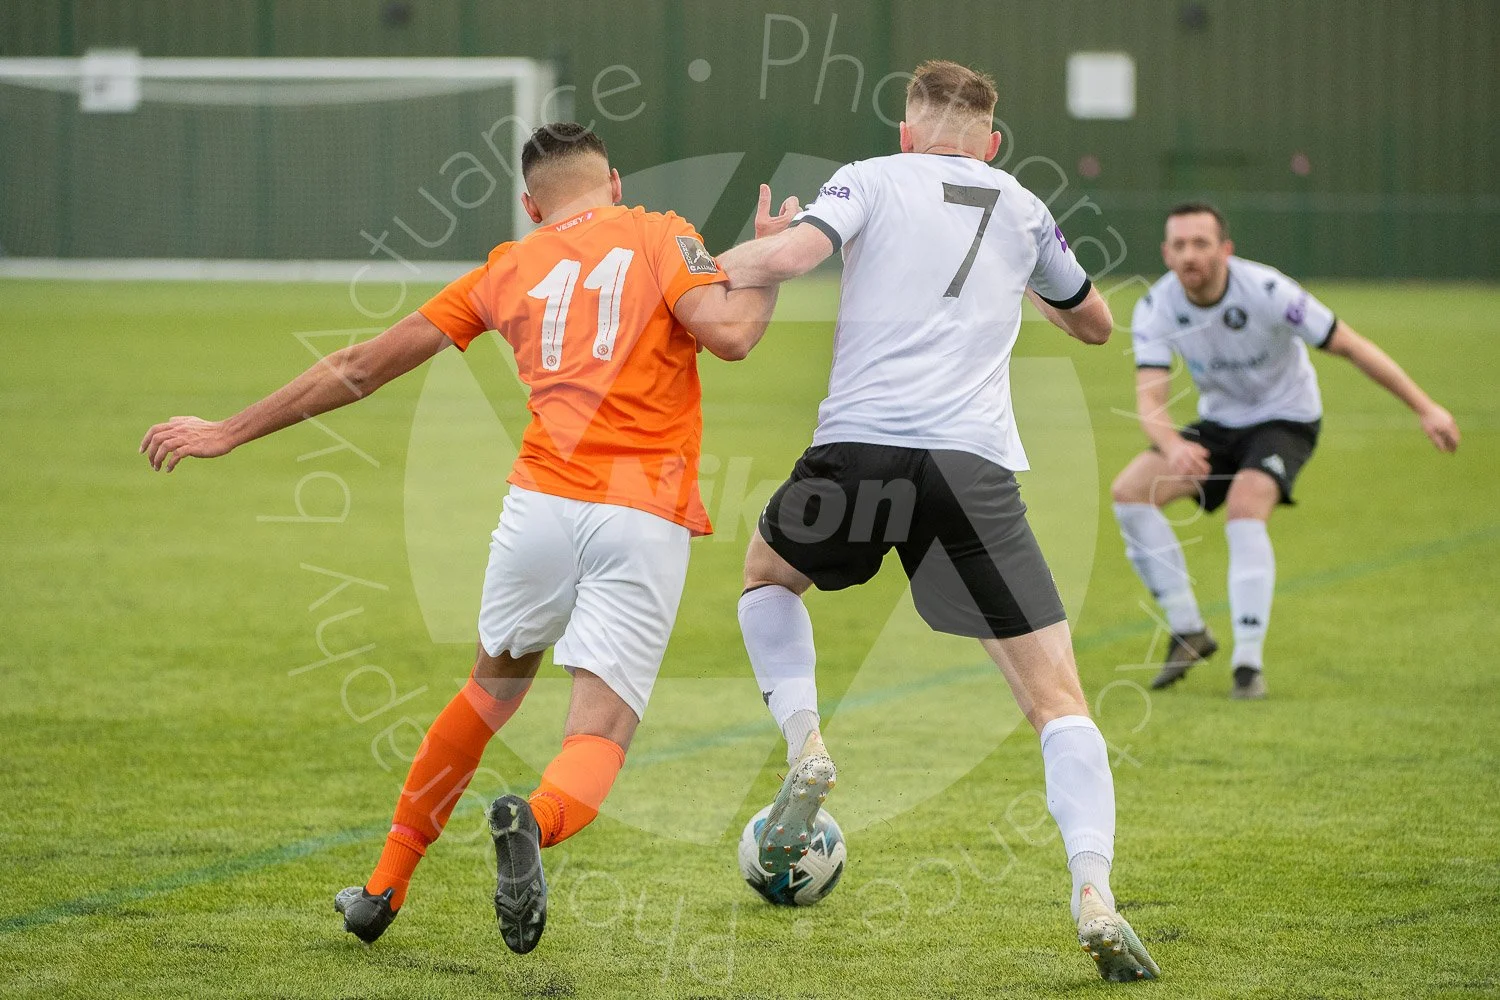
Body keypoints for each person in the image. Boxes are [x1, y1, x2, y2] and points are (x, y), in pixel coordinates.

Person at [140, 122, 785, 954]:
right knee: (598, 733)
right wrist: (762, 269)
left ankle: (381, 887)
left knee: (489, 691)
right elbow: (729, 335)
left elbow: (362, 366)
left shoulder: (506, 267)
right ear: (615, 181)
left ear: (529, 204)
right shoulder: (664, 233)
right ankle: (534, 823)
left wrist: (229, 429)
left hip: (538, 510)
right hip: (642, 514)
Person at [716, 61, 1159, 982]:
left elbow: (794, 258)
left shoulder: (870, 176)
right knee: (1058, 701)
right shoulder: (1026, 206)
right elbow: (1096, 326)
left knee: (767, 574)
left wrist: (723, 257)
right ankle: (1094, 891)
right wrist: (1026, 282)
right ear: (990, 142)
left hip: (860, 453)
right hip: (973, 469)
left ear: (909, 129)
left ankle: (805, 741)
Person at [1111, 203, 1460, 699]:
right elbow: (1150, 397)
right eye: (1180, 245)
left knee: (1245, 507)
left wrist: (1426, 407)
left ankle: (1247, 666)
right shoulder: (1156, 307)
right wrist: (1171, 445)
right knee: (1129, 493)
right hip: (1221, 422)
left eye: (1201, 243)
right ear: (1167, 254)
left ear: (1225, 250)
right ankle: (1188, 630)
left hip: (1287, 416)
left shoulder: (1270, 291)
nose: (1191, 254)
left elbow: (1352, 346)